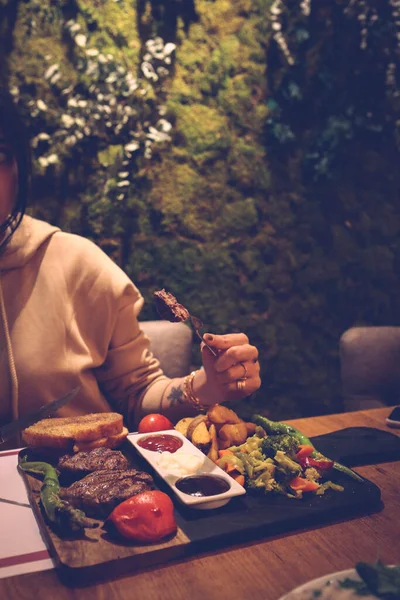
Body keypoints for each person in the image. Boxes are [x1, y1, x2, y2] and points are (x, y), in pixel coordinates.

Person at [0, 88, 261, 447]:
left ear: (18, 167)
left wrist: (207, 384)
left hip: (77, 488)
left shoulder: (79, 266)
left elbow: (138, 394)